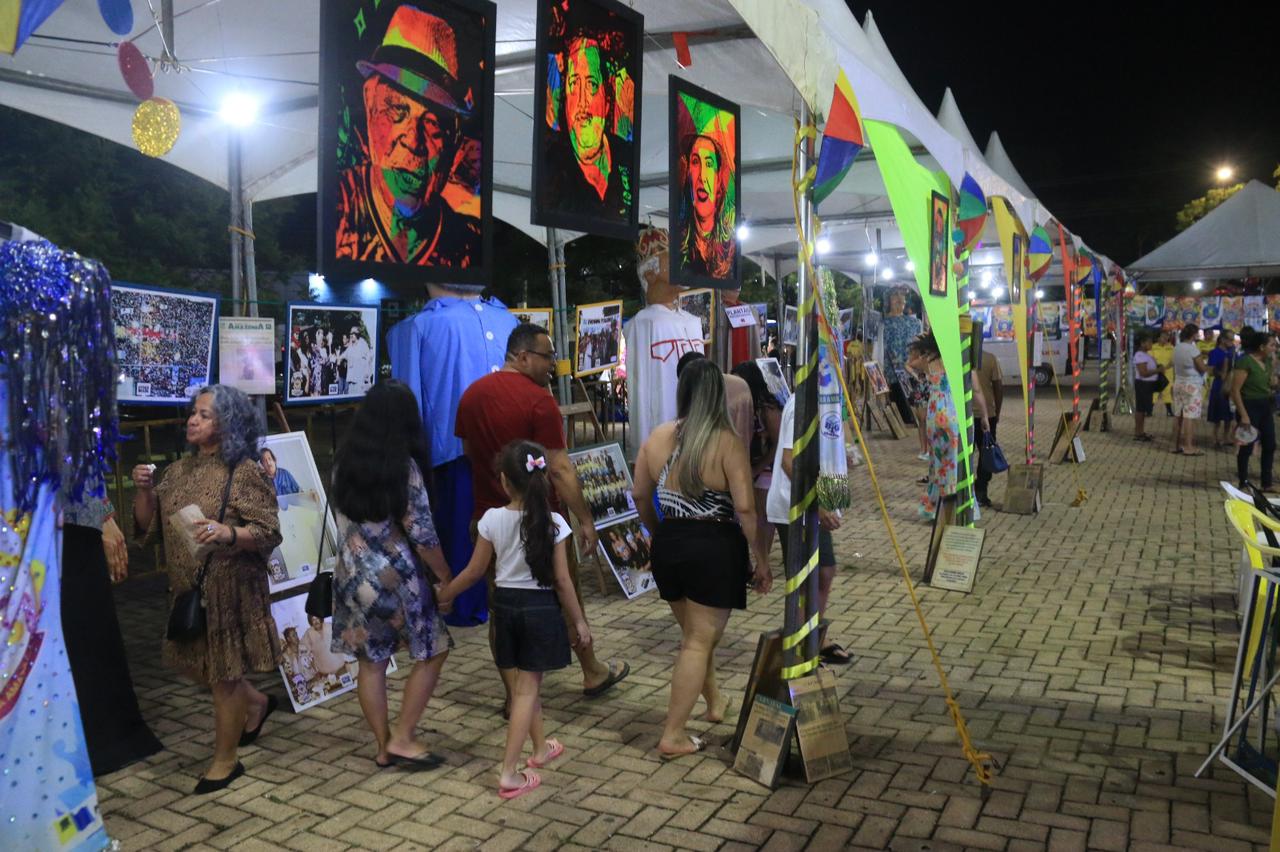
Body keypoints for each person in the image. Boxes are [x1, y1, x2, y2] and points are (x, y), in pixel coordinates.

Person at [456, 323, 630, 708]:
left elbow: (469, 450)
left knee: (499, 606)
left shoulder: (471, 395)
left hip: (488, 520)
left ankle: (514, 695)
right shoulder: (538, 402)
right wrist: (585, 520)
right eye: (548, 356)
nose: (553, 364)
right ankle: (592, 671)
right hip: (539, 522)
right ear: (523, 357)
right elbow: (560, 469)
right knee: (564, 593)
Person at [131, 385, 282, 794]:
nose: (192, 420)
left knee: (223, 677)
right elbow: (147, 530)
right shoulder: (177, 472)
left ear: (227, 424)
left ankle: (225, 761)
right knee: (187, 661)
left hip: (231, 592)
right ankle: (256, 703)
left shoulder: (245, 471)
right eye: (192, 413)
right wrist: (144, 491)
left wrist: (228, 532)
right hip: (189, 591)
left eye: (203, 415)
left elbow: (269, 532)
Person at [436, 441, 591, 798]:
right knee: (527, 688)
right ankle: (508, 773)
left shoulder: (491, 519)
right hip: (539, 610)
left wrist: (446, 593)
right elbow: (563, 581)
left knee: (525, 684)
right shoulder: (554, 524)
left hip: (504, 608)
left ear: (504, 481)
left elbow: (475, 572)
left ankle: (539, 749)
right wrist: (579, 621)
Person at [633, 359, 771, 758]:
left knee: (695, 636)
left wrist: (658, 533)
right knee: (698, 641)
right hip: (712, 546)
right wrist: (761, 559)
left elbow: (641, 495)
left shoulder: (658, 436)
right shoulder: (727, 442)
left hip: (670, 543)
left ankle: (714, 704)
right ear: (718, 394)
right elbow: (745, 511)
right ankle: (673, 734)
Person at [329, 380, 454, 769]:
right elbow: (421, 531)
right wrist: (444, 576)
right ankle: (403, 736)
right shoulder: (404, 466)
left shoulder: (342, 462)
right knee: (434, 648)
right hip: (394, 577)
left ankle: (383, 746)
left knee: (371, 663)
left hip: (351, 578)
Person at [388, 282, 519, 627]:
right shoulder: (507, 320)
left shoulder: (419, 326)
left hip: (453, 450)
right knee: (508, 525)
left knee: (463, 531)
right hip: (510, 447)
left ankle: (465, 602)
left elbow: (407, 403)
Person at [335, 5, 481, 267]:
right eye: (397, 110)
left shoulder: (468, 247)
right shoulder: (336, 206)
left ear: (455, 143)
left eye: (433, 125)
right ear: (369, 107)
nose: (414, 142)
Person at [61, 493, 162, 776]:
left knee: (82, 629)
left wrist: (103, 517)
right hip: (28, 526)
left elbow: (78, 458)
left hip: (70, 529)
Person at [765, 377, 855, 665]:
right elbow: (789, 461)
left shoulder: (828, 400)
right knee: (808, 577)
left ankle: (813, 636)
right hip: (795, 504)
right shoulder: (803, 402)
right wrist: (819, 503)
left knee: (824, 572)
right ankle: (802, 643)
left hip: (812, 501)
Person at [624, 226, 704, 456]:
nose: (682, 268)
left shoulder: (692, 322)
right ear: (650, 274)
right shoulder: (644, 324)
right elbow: (640, 387)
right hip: (662, 436)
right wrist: (642, 448)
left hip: (696, 426)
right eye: (672, 261)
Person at [541, 31, 635, 226]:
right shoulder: (551, 167)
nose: (582, 102)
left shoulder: (627, 155)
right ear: (564, 98)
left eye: (592, 84)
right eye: (574, 84)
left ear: (607, 98)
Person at [731, 359, 785, 564]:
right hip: (753, 466)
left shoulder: (767, 408)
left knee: (763, 515)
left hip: (768, 467)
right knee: (752, 512)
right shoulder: (746, 404)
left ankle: (762, 557)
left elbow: (779, 442)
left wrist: (758, 468)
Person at [908, 332, 960, 519]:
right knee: (951, 460)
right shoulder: (952, 358)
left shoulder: (927, 361)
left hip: (934, 409)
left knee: (936, 460)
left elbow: (911, 362)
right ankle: (951, 506)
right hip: (950, 410)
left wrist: (921, 349)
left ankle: (934, 507)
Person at [677, 131, 735, 280]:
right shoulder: (680, 246)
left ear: (718, 179)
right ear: (689, 173)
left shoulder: (730, 245)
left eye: (709, 164)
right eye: (696, 162)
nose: (702, 177)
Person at [881, 289, 927, 459]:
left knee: (915, 401)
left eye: (902, 300)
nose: (899, 303)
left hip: (912, 369)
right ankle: (904, 423)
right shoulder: (884, 323)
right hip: (893, 370)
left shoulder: (914, 323)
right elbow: (882, 349)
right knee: (899, 400)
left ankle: (913, 423)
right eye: (895, 299)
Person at [1230, 329, 1278, 492]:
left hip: (1265, 406)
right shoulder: (1245, 362)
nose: (1275, 348)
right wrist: (1243, 415)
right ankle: (1243, 481)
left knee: (1270, 444)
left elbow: (1270, 384)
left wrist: (1274, 368)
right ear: (1261, 346)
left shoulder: (1268, 362)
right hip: (1248, 406)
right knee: (1247, 445)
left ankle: (1266, 482)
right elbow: (1235, 390)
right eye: (1272, 345)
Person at [973, 348, 1004, 507]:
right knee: (986, 453)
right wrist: (997, 412)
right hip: (987, 415)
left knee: (964, 455)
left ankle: (966, 488)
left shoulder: (959, 359)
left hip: (964, 414)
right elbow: (998, 387)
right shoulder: (990, 358)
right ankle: (981, 491)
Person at [1171, 323, 1208, 455]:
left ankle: (1175, 445)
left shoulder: (1176, 348)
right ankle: (1188, 447)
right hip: (1192, 385)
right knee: (1189, 417)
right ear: (1193, 335)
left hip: (1178, 383)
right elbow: (1202, 368)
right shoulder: (1193, 350)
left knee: (1178, 415)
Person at [1206, 329, 1236, 449]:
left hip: (1231, 384)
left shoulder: (1232, 353)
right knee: (1217, 413)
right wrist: (1221, 373)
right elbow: (1210, 369)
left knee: (1229, 413)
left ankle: (1226, 436)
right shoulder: (1214, 352)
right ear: (1222, 340)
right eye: (1230, 339)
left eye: (1233, 339)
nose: (1232, 342)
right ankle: (1215, 437)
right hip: (1219, 384)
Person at [1132, 333, 1159, 442]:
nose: (1151, 344)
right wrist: (1158, 370)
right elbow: (1143, 373)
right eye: (1149, 342)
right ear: (1142, 343)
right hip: (1142, 384)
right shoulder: (1140, 355)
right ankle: (1138, 433)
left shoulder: (1146, 354)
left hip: (1147, 385)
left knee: (1143, 410)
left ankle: (1141, 432)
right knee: (1140, 409)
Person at [1151, 330, 1175, 416]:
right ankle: (1149, 410)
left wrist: (1165, 368)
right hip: (1156, 372)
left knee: (1167, 392)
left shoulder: (1171, 348)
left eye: (1167, 336)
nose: (1165, 338)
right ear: (1158, 338)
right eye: (1163, 336)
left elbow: (1173, 361)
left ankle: (1169, 411)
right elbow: (1151, 359)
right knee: (1154, 392)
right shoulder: (1153, 347)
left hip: (1167, 373)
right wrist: (1159, 368)